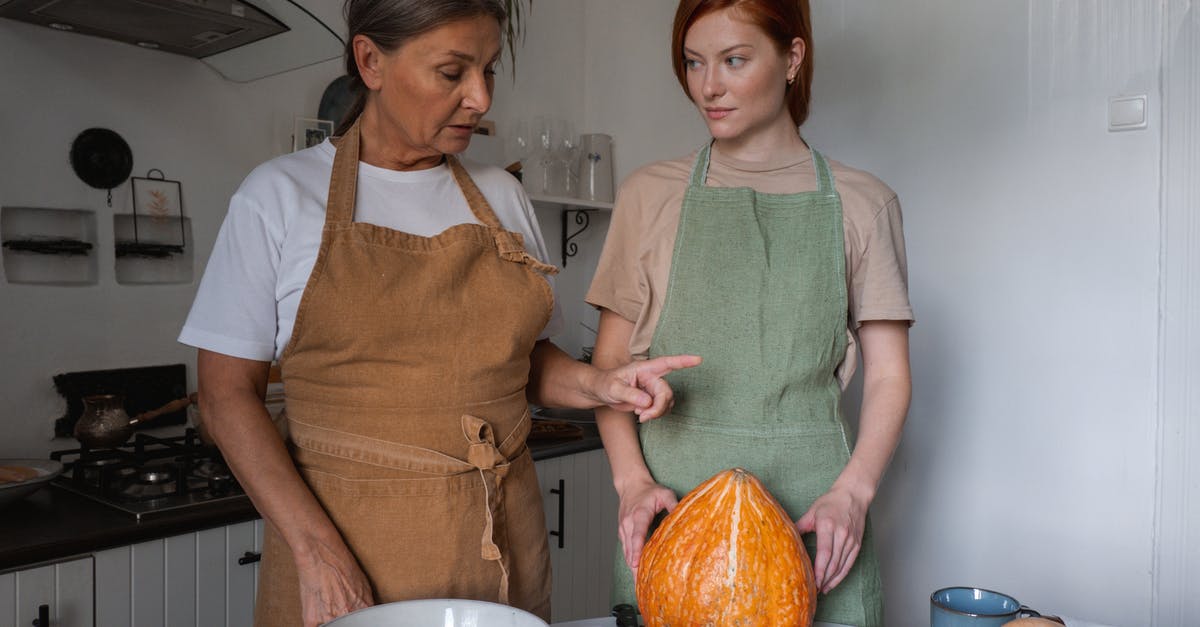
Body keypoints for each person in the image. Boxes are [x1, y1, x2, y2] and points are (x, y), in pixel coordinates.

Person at [178, 2, 699, 626]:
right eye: (452, 73)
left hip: (502, 538)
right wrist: (317, 554)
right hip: (345, 551)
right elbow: (225, 395)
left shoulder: (502, 195)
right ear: (371, 61)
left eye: (489, 71)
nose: (479, 98)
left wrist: (601, 385)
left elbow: (522, 359)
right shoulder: (280, 195)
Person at [585, 1, 913, 625]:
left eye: (734, 60)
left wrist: (855, 492)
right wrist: (631, 483)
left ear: (792, 58)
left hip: (819, 523)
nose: (709, 86)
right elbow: (609, 367)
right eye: (693, 62)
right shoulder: (648, 196)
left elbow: (890, 376)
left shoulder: (863, 203)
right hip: (671, 520)